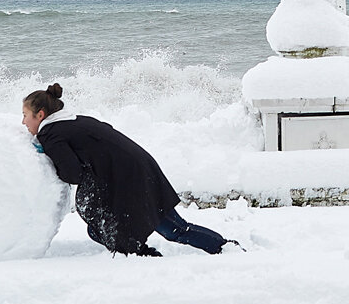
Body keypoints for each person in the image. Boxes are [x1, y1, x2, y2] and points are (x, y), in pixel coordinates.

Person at [21, 82, 236, 256]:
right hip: (137, 167)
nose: (23, 122)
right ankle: (142, 254)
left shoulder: (51, 134)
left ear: (40, 115)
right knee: (108, 229)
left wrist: (47, 156)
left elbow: (73, 174)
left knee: (173, 230)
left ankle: (222, 247)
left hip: (130, 178)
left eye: (25, 115)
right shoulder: (72, 121)